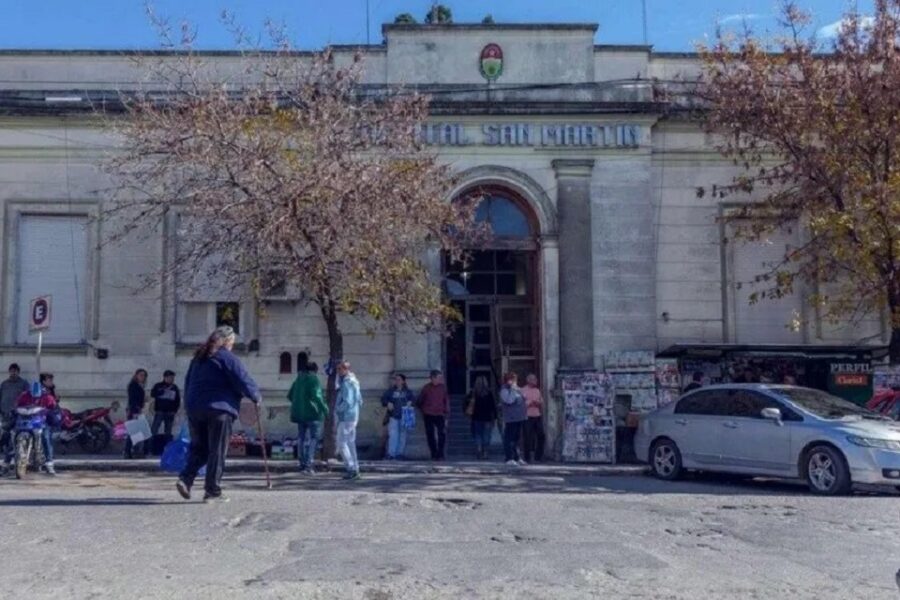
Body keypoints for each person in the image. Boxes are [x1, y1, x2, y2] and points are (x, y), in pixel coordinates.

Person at [176, 326, 261, 502]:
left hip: (195, 408)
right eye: (232, 342)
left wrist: (189, 405)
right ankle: (212, 491)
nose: (232, 346)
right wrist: (256, 397)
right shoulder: (226, 357)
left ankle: (186, 479)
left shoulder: (199, 358)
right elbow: (243, 379)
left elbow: (187, 382)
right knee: (217, 450)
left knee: (200, 448)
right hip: (219, 410)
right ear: (228, 341)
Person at [12, 375, 58, 475]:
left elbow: (53, 407)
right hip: (25, 422)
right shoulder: (24, 395)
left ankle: (49, 464)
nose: (34, 398)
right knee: (11, 434)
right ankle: (6, 463)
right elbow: (17, 405)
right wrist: (15, 411)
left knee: (45, 438)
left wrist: (49, 411)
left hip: (40, 422)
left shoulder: (47, 396)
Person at [288, 361, 327, 475]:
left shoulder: (298, 380)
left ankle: (301, 463)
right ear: (314, 370)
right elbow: (318, 396)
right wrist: (325, 409)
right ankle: (309, 465)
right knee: (314, 438)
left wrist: (299, 404)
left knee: (301, 437)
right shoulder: (313, 379)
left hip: (300, 414)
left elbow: (290, 395)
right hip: (313, 414)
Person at [335, 361, 363, 480]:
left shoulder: (346, 383)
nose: (338, 371)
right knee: (350, 444)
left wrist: (338, 409)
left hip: (346, 416)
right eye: (338, 369)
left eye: (340, 369)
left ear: (346, 370)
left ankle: (351, 468)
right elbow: (360, 400)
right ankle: (355, 468)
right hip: (353, 415)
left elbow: (348, 401)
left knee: (341, 443)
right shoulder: (355, 381)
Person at [0, 364, 29, 470]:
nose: (13, 373)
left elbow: (28, 398)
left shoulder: (23, 384)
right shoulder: (4, 384)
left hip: (18, 416)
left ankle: (8, 462)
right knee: (6, 437)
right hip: (5, 415)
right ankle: (7, 459)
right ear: (9, 372)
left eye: (15, 371)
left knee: (14, 438)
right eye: (12, 371)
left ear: (18, 372)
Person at [417, 370, 450, 461]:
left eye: (441, 378)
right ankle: (434, 453)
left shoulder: (443, 388)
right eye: (439, 378)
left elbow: (446, 401)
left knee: (442, 434)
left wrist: (446, 414)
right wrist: (423, 409)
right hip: (428, 414)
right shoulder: (426, 388)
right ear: (433, 378)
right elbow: (420, 400)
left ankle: (440, 453)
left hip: (440, 414)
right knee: (430, 434)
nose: (441, 379)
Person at [381, 373, 415, 460]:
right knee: (393, 435)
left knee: (403, 435)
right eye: (395, 380)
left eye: (399, 380)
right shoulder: (391, 391)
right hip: (393, 415)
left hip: (405, 416)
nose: (397, 381)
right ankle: (391, 454)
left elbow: (414, 399)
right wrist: (387, 403)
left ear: (403, 381)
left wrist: (411, 402)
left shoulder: (407, 392)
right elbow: (383, 399)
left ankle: (399, 454)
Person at [499, 372, 527, 467]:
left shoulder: (517, 389)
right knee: (509, 438)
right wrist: (512, 389)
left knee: (517, 439)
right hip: (511, 418)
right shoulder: (504, 390)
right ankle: (509, 457)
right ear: (508, 380)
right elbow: (509, 400)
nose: (515, 381)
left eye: (515, 379)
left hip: (519, 417)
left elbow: (523, 398)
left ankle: (517, 457)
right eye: (513, 379)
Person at [467, 376, 497, 460]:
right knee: (486, 435)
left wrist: (469, 415)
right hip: (487, 418)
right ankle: (485, 452)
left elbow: (467, 403)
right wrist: (495, 417)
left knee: (478, 435)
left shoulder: (473, 393)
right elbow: (493, 406)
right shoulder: (489, 393)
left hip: (476, 417)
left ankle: (479, 450)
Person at [124, 369, 149, 459]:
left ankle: (135, 451)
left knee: (138, 433)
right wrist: (135, 411)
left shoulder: (140, 386)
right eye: (141, 375)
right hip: (134, 411)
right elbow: (132, 400)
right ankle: (128, 452)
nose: (143, 377)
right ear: (136, 375)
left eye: (144, 376)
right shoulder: (133, 385)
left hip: (138, 410)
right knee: (133, 432)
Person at [521, 374, 545, 463]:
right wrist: (530, 402)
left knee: (541, 435)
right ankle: (527, 457)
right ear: (528, 380)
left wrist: (537, 402)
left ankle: (538, 456)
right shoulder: (523, 390)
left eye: (536, 379)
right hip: (527, 416)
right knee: (527, 437)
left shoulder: (537, 390)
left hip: (537, 415)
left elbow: (541, 401)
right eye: (533, 379)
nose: (536, 381)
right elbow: (522, 403)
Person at [150, 370, 181, 438]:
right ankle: (151, 445)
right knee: (154, 429)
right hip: (160, 411)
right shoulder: (158, 385)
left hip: (170, 412)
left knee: (168, 430)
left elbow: (177, 400)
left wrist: (175, 410)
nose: (171, 379)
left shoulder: (175, 387)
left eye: (172, 378)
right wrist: (163, 391)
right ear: (165, 377)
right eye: (170, 377)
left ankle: (166, 445)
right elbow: (152, 394)